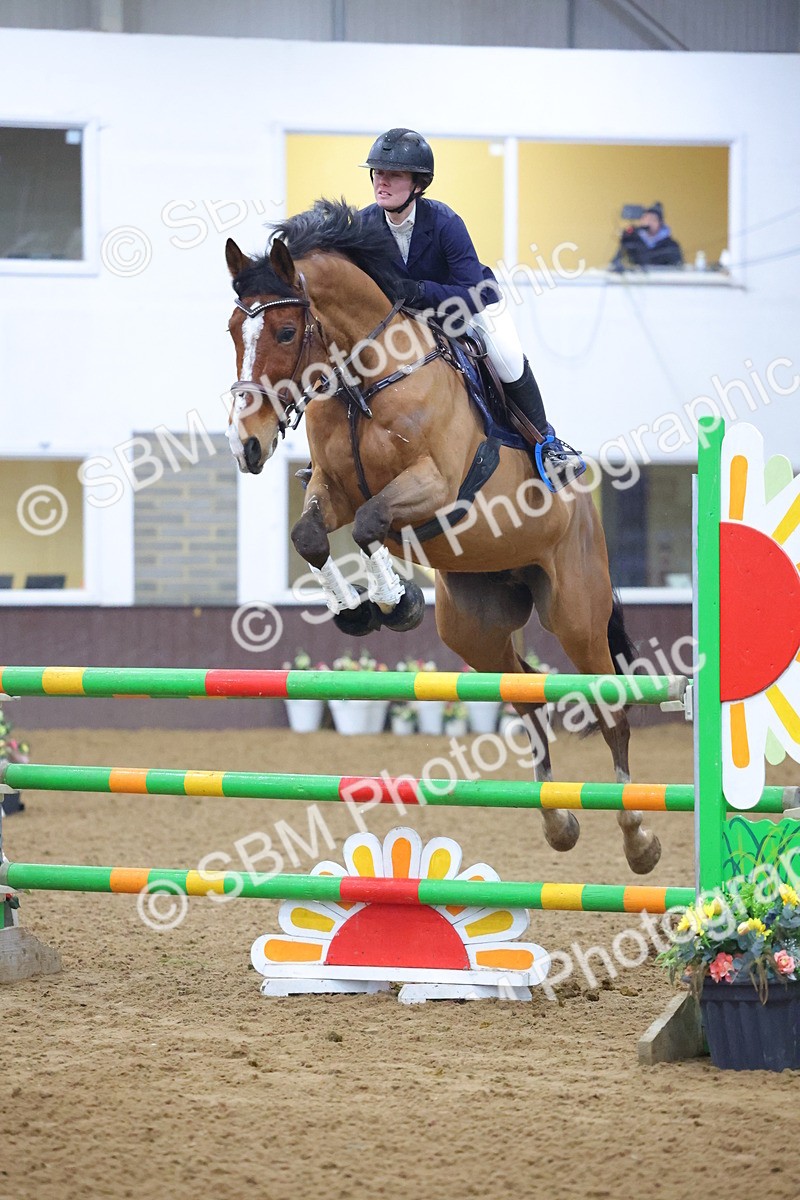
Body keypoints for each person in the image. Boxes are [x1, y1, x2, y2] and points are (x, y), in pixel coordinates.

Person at [359, 128, 584, 490]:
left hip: (468, 308)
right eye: (377, 173)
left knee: (507, 356)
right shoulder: (364, 225)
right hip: (406, 324)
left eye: (394, 175)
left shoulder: (445, 223)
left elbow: (471, 293)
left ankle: (548, 445)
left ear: (418, 184)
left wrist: (418, 290)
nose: (381, 182)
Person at [611, 202, 683, 270]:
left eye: (653, 220)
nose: (648, 222)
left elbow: (678, 268)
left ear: (660, 223)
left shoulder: (671, 245)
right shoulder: (631, 241)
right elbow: (616, 263)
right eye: (646, 219)